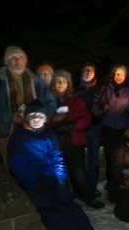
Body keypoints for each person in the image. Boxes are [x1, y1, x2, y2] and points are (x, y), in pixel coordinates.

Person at [7, 101, 113, 230]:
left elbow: (58, 159)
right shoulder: (19, 139)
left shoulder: (49, 135)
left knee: (72, 208)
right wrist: (35, 182)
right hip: (36, 184)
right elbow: (18, 166)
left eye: (40, 116)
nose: (36, 119)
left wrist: (62, 181)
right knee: (55, 213)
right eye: (32, 116)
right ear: (26, 117)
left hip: (54, 181)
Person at [0, 45, 56, 173]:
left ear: (25, 61)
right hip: (8, 129)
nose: (17, 61)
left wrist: (43, 117)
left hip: (35, 129)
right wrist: (9, 116)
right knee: (13, 165)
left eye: (20, 58)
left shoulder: (38, 82)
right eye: (13, 58)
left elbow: (50, 102)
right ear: (6, 62)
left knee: (36, 163)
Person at [48, 69, 105, 209]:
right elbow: (43, 120)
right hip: (55, 144)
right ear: (53, 84)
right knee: (59, 174)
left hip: (74, 141)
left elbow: (86, 118)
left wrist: (73, 125)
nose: (60, 83)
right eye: (57, 81)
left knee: (78, 172)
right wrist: (54, 125)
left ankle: (89, 197)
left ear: (68, 83)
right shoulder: (48, 100)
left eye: (64, 81)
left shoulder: (75, 99)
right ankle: (64, 198)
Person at [100, 64, 129, 191]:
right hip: (108, 127)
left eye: (121, 74)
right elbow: (100, 105)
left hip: (123, 128)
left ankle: (121, 180)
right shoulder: (106, 89)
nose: (118, 76)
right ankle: (110, 181)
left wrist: (128, 113)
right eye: (116, 74)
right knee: (109, 155)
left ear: (126, 76)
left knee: (121, 155)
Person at [74, 60, 103, 198]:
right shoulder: (75, 90)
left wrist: (101, 112)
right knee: (77, 160)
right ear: (81, 72)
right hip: (78, 129)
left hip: (94, 128)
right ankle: (79, 187)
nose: (88, 71)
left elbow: (107, 107)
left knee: (94, 160)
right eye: (86, 69)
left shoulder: (101, 89)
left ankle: (92, 187)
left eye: (91, 69)